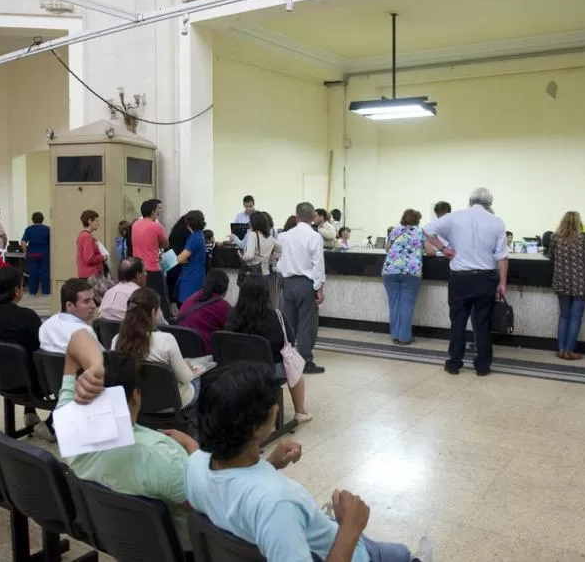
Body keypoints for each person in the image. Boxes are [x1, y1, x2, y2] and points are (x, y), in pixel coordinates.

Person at [184, 362, 434, 562]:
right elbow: (267, 506)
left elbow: (235, 496)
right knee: (396, 553)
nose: (278, 409)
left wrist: (269, 466)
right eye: (274, 405)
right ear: (254, 428)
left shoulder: (195, 465)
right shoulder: (278, 503)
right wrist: (350, 527)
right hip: (340, 550)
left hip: (300, 537)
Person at [57, 336, 196, 553]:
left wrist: (95, 366)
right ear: (136, 396)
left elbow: (75, 342)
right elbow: (203, 505)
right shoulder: (161, 455)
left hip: (110, 535)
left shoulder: (68, 425)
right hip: (174, 550)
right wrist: (193, 449)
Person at [425, 188, 508, 377]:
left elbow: (427, 230)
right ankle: (483, 366)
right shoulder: (497, 222)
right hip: (486, 278)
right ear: (490, 204)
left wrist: (444, 249)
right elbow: (502, 256)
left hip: (460, 279)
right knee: (482, 324)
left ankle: (454, 363)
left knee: (458, 322)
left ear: (470, 201)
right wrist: (502, 283)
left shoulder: (455, 217)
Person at [0, 267, 54, 441]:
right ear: (16, 291)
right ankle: (51, 426)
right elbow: (41, 350)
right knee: (64, 369)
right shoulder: (27, 317)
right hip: (29, 383)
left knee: (19, 360)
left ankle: (30, 413)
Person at [226, 273, 311, 422]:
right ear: (266, 294)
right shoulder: (276, 317)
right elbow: (289, 341)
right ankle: (300, 411)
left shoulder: (233, 315)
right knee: (294, 366)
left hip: (239, 368)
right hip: (270, 370)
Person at [113, 287, 198, 407]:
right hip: (169, 406)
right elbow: (186, 378)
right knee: (196, 380)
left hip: (135, 404)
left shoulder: (117, 340)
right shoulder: (166, 340)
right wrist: (188, 369)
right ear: (153, 312)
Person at [277, 202, 326, 375]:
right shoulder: (315, 237)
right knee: (307, 324)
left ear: (297, 217)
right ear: (313, 217)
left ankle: (287, 359)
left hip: (288, 283)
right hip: (306, 284)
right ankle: (305, 360)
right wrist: (319, 288)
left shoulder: (284, 236)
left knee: (288, 324)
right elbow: (318, 265)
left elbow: (280, 262)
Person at [547, 212, 585, 361]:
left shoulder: (555, 238)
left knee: (564, 315)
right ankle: (570, 351)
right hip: (580, 283)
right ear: (579, 223)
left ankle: (561, 349)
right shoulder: (584, 238)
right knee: (575, 317)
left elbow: (550, 256)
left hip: (561, 282)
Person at [382, 210, 435, 346]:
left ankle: (395, 335)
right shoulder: (420, 232)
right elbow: (430, 252)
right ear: (417, 220)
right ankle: (404, 337)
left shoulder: (395, 230)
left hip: (390, 271)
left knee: (394, 304)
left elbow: (387, 248)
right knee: (407, 304)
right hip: (411, 272)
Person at [131, 198, 171, 319]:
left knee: (141, 296)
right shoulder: (156, 226)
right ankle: (166, 321)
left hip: (137, 267)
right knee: (161, 297)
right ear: (153, 211)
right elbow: (165, 244)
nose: (159, 212)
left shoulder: (135, 224)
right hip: (152, 268)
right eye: (158, 209)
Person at [39, 278, 100, 354]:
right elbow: (103, 361)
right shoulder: (85, 332)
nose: (94, 305)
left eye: (93, 299)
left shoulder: (46, 325)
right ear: (69, 305)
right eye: (86, 301)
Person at [99, 257, 167, 325]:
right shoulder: (145, 296)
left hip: (109, 335)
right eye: (144, 271)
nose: (146, 274)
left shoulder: (108, 293)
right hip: (137, 334)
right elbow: (162, 324)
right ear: (139, 276)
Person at [177, 270, 232, 354]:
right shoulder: (224, 306)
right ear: (225, 288)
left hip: (181, 347)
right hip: (203, 351)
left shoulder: (192, 297)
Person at [76, 209, 111, 303]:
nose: (98, 223)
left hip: (86, 275)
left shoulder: (84, 236)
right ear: (89, 221)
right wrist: (103, 257)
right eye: (96, 221)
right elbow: (89, 258)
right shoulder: (87, 237)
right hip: (91, 276)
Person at [240, 211, 281, 287]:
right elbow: (280, 249)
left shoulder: (253, 235)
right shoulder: (270, 237)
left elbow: (250, 256)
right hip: (266, 273)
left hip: (254, 274)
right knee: (263, 297)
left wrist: (242, 257)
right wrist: (271, 257)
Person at [175, 210, 207, 304]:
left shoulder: (194, 238)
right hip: (196, 273)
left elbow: (180, 259)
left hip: (191, 275)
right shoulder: (199, 235)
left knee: (187, 304)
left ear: (188, 224)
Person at [21, 211, 51, 296]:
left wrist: (25, 253)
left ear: (32, 220)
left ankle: (32, 292)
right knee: (45, 272)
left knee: (33, 272)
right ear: (42, 219)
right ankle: (46, 292)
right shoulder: (47, 229)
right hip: (44, 253)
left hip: (33, 254)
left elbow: (23, 242)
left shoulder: (29, 229)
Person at [165, 213, 192, 306]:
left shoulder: (176, 229)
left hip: (169, 257)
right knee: (175, 285)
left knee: (169, 284)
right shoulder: (187, 231)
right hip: (177, 258)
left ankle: (168, 306)